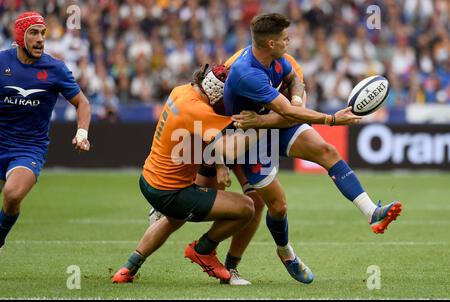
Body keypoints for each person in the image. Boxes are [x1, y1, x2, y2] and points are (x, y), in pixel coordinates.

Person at [220, 13, 403, 284]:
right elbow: (287, 112)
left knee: (327, 152)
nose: (289, 41)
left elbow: (294, 79)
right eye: (284, 38)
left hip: (272, 124)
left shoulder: (273, 58)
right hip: (250, 139)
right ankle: (285, 252)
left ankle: (371, 213)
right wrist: (331, 119)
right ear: (270, 43)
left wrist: (294, 98)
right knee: (279, 207)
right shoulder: (247, 72)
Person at [111, 65, 255, 283]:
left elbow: (203, 135)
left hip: (149, 178)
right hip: (172, 192)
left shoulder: (182, 90)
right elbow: (230, 148)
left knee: (174, 220)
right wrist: (262, 127)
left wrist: (218, 166)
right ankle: (203, 250)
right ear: (216, 93)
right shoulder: (198, 109)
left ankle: (128, 268)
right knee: (247, 208)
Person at [0, 12, 91, 254]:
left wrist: (82, 133)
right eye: (33, 33)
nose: (40, 39)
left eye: (43, 33)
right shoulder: (1, 62)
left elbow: (83, 103)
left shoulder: (55, 68)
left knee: (12, 194)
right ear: (20, 37)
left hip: (28, 148)